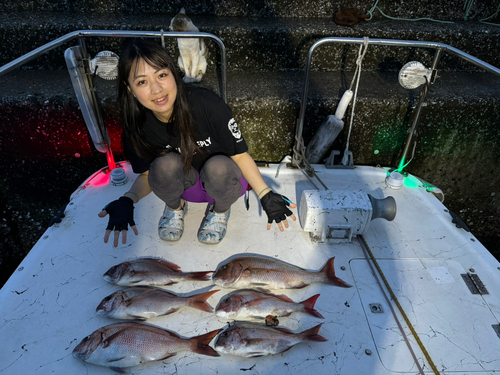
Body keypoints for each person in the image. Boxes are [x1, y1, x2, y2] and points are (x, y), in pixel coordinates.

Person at [99, 39, 296, 247]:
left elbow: (239, 155)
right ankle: (175, 208)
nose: (156, 89)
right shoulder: (136, 125)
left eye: (162, 75)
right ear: (129, 89)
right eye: (142, 82)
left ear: (174, 74)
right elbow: (149, 174)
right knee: (163, 165)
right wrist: (128, 199)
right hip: (186, 187)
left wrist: (265, 194)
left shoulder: (208, 105)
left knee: (218, 167)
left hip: (224, 183)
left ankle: (220, 211)